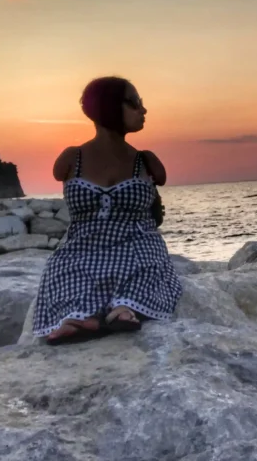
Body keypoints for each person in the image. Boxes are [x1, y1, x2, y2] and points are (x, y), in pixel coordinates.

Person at [32, 76, 183, 344]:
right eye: (135, 103)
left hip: (136, 242)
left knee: (147, 265)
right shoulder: (70, 158)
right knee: (61, 269)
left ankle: (123, 308)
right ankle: (78, 318)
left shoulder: (146, 161)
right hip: (83, 245)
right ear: (109, 106)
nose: (143, 110)